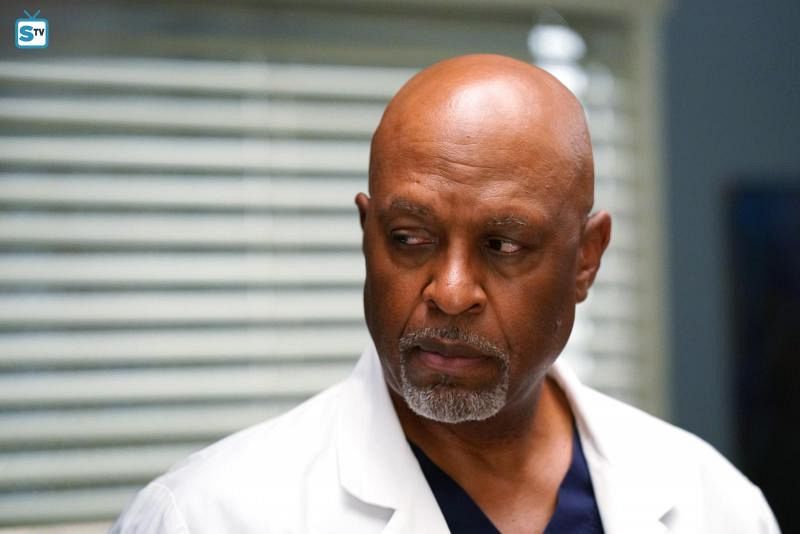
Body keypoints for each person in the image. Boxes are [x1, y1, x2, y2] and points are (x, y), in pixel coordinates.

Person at [112, 54, 780, 533]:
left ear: (586, 259)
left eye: (505, 245)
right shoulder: (204, 515)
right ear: (368, 236)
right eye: (410, 238)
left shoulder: (715, 505)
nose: (452, 292)